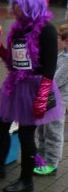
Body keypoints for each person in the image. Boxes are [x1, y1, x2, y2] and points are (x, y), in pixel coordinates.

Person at [0, 0, 64, 192]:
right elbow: (12, 60)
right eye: (13, 3)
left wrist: (42, 97)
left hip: (35, 87)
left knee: (26, 134)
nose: (14, 7)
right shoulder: (18, 29)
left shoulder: (47, 30)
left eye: (18, 3)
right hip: (16, 83)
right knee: (2, 124)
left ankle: (26, 181)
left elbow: (50, 66)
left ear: (30, 5)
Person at [34, 23, 68, 175]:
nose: (55, 41)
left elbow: (55, 80)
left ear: (66, 41)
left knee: (53, 132)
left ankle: (52, 164)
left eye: (58, 38)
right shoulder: (61, 55)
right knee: (42, 130)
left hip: (58, 102)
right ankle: (41, 158)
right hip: (48, 98)